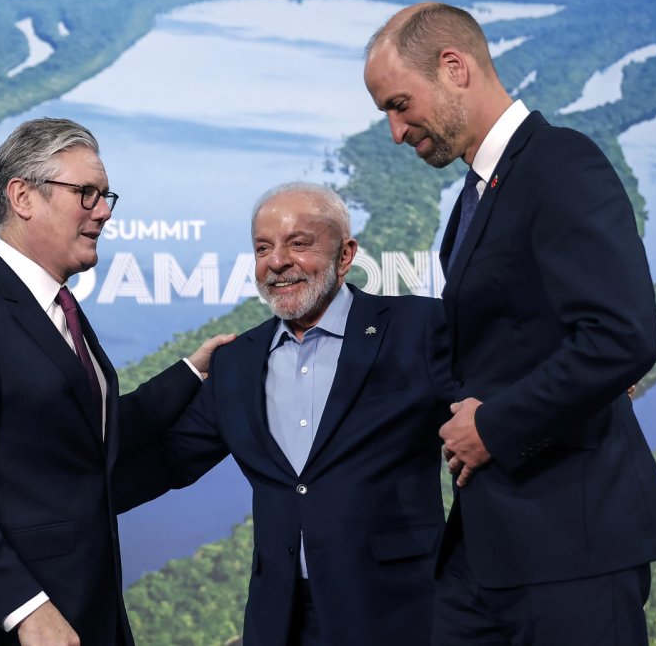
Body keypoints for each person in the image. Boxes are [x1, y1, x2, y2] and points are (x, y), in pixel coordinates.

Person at [363, 2, 656, 644]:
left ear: (454, 67)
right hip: (492, 549)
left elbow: (622, 335)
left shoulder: (561, 163)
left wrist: (493, 425)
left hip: (573, 549)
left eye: (399, 104)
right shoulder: (477, 193)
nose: (397, 132)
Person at [0, 117, 232, 646]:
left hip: (85, 613)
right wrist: (26, 611)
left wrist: (194, 373)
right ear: (23, 196)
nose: (103, 211)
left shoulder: (59, 310)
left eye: (106, 196)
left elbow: (90, 438)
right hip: (5, 630)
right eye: (86, 194)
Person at [115, 183, 452, 646]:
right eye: (262, 248)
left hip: (401, 613)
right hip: (281, 620)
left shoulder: (420, 329)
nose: (277, 261)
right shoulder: (237, 362)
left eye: (299, 243)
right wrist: (59, 504)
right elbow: (169, 462)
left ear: (346, 254)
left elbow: (498, 419)